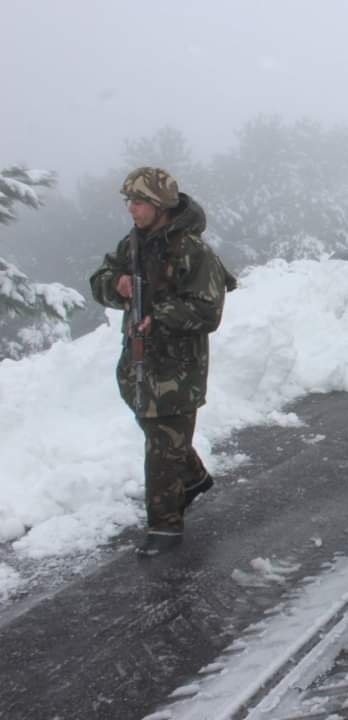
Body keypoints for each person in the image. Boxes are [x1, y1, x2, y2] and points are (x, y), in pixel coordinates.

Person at [90, 167, 234, 557]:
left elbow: (208, 311)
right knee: (158, 434)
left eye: (137, 202)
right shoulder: (134, 244)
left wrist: (161, 316)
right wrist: (115, 284)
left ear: (159, 205)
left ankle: (164, 527)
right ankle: (195, 479)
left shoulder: (194, 251)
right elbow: (100, 277)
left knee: (162, 447)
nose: (131, 210)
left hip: (177, 369)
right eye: (129, 203)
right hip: (138, 362)